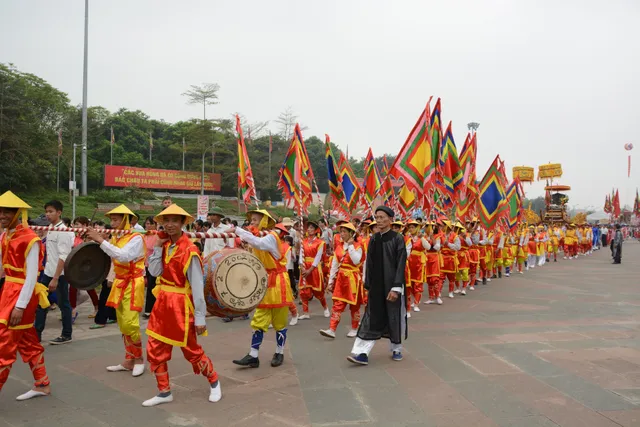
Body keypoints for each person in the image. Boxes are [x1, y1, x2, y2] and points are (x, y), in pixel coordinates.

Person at [142, 204, 221, 407]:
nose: (169, 225)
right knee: (155, 347)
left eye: (174, 221)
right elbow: (155, 272)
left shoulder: (190, 249)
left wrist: (201, 317)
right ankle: (164, 391)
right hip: (162, 304)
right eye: (166, 221)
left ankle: (214, 381)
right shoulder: (166, 245)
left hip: (181, 307)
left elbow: (197, 285)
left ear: (182, 223)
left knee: (191, 351)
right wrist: (157, 246)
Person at [0, 191, 52, 400]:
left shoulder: (30, 239)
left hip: (21, 295)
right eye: (0, 211)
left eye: (7, 212)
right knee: (28, 342)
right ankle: (42, 383)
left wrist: (20, 306)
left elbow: (32, 277)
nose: (2, 215)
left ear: (17, 213)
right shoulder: (6, 235)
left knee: (4, 345)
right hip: (8, 291)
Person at [84, 205, 145, 377]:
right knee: (122, 322)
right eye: (112, 219)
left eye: (116, 219)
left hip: (133, 283)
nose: (113, 223)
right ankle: (129, 359)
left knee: (130, 323)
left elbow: (123, 256)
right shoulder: (117, 236)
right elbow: (109, 256)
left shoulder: (136, 238)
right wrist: (100, 240)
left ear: (126, 220)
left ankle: (139, 359)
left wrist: (101, 240)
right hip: (119, 282)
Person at [232, 210, 294, 368]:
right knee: (258, 319)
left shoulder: (271, 237)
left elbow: (259, 244)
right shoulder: (257, 238)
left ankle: (279, 352)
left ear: (264, 222)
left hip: (279, 283)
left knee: (279, 322)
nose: (251, 223)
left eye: (254, 220)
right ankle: (253, 355)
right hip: (265, 282)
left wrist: (237, 230)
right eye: (251, 220)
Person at [347, 206, 407, 365]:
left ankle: (396, 347)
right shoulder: (373, 239)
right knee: (371, 316)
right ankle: (361, 352)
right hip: (376, 285)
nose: (379, 220)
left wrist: (396, 287)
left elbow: (401, 264)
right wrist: (368, 285)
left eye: (382, 217)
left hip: (392, 285)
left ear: (390, 219)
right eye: (377, 217)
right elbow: (370, 263)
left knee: (394, 316)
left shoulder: (398, 238)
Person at [34, 200, 75, 344]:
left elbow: (63, 256)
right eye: (47, 211)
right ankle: (36, 334)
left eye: (51, 211)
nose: (48, 214)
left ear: (59, 212)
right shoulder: (50, 228)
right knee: (41, 302)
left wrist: (56, 278)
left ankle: (66, 335)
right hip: (48, 272)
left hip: (60, 275)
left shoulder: (63, 231)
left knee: (64, 304)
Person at [319, 222, 364, 339]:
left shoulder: (358, 247)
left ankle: (354, 328)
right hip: (341, 279)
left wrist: (350, 246)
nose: (342, 234)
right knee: (337, 305)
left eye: (345, 232)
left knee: (354, 306)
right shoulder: (338, 247)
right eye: (341, 232)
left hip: (353, 279)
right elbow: (334, 265)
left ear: (351, 233)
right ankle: (332, 329)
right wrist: (330, 282)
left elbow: (356, 261)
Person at [69, 216, 100, 320]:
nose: (75, 226)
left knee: (90, 288)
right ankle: (73, 310)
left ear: (85, 225)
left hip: (87, 266)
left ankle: (97, 308)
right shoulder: (76, 236)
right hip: (76, 266)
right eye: (74, 224)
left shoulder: (90, 236)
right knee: (72, 288)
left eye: (77, 224)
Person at [298, 221, 329, 319]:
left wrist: (310, 270)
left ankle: (325, 308)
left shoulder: (320, 243)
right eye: (308, 228)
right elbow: (301, 255)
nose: (310, 229)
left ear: (316, 230)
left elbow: (318, 258)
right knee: (303, 291)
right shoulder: (303, 241)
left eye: (312, 228)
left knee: (318, 292)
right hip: (304, 266)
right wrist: (302, 267)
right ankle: (306, 313)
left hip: (314, 269)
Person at [405, 220, 429, 308]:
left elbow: (428, 247)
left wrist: (422, 238)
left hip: (419, 262)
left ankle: (416, 304)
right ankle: (413, 300)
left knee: (418, 283)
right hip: (410, 262)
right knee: (410, 283)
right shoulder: (407, 237)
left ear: (417, 228)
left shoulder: (422, 237)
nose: (411, 229)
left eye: (413, 227)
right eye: (410, 227)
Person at [143, 216, 159, 318]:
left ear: (155, 225)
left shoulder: (157, 236)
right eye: (147, 224)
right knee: (148, 286)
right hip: (145, 264)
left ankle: (150, 309)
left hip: (154, 265)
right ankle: (149, 308)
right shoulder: (145, 235)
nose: (148, 226)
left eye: (150, 224)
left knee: (152, 287)